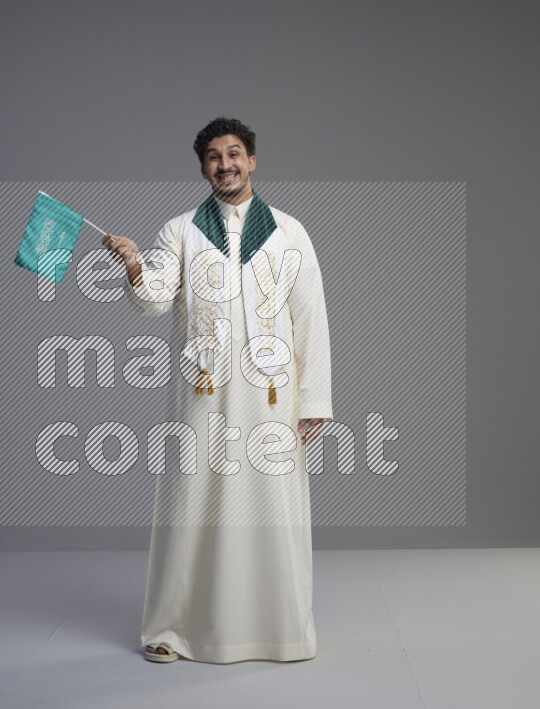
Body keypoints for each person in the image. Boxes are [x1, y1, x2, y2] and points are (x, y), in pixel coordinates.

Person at [102, 117, 333, 664]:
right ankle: (173, 630)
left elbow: (310, 315)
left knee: (274, 509)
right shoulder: (181, 230)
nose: (224, 164)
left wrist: (316, 398)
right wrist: (135, 264)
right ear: (203, 167)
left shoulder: (289, 232)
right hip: (203, 392)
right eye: (212, 156)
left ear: (252, 161)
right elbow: (155, 299)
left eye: (234, 154)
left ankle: (280, 630)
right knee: (191, 505)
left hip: (272, 394)